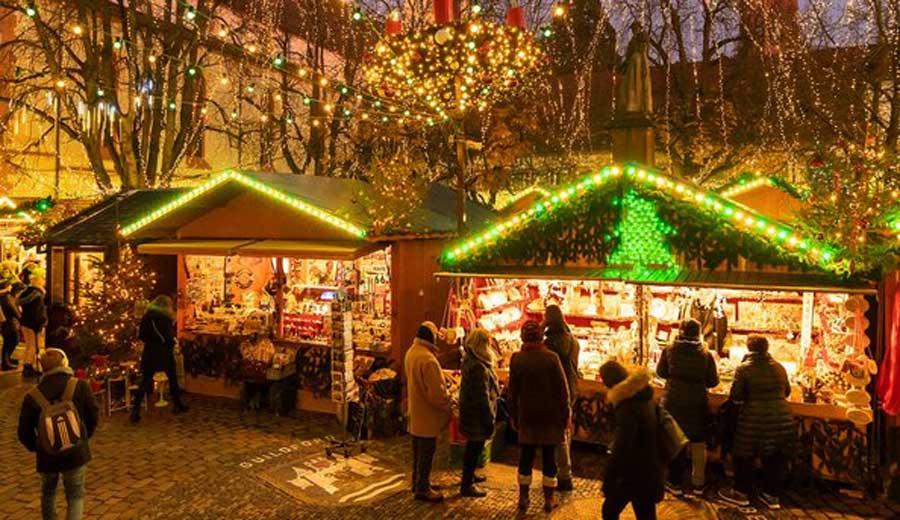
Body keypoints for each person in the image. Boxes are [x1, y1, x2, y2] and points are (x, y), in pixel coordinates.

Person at [18, 348, 100, 520]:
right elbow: (93, 415)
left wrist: (38, 446)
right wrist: (83, 437)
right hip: (75, 451)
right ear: (64, 363)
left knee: (48, 492)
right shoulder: (80, 386)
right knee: (76, 494)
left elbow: (24, 432)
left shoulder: (32, 396)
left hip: (47, 455)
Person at [718, 335, 794, 509]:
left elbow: (736, 396)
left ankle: (740, 493)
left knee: (744, 456)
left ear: (748, 348)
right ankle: (771, 496)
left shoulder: (744, 368)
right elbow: (787, 392)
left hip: (754, 418)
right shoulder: (779, 367)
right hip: (781, 418)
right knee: (774, 458)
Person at [508, 320, 569, 513]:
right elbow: (562, 390)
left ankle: (523, 497)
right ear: (541, 337)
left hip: (527, 415)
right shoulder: (551, 358)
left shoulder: (517, 359)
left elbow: (512, 392)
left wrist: (513, 415)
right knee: (549, 458)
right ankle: (549, 499)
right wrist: (566, 415)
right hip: (550, 416)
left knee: (526, 457)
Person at [656, 318, 719, 496]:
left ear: (681, 331)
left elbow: (661, 372)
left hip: (673, 401)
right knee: (698, 443)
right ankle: (698, 483)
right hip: (697, 402)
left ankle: (674, 483)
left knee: (677, 442)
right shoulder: (705, 353)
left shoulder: (669, 349)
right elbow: (713, 381)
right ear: (698, 333)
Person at [600, 361, 663, 520]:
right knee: (645, 513)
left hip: (632, 472)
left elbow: (622, 447)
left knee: (609, 510)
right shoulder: (642, 395)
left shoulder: (627, 407)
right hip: (648, 466)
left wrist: (610, 478)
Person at [404, 321, 452, 503]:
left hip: (415, 412)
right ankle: (423, 489)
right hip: (427, 415)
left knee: (417, 451)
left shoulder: (411, 352)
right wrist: (448, 403)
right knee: (426, 452)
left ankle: (418, 482)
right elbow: (436, 394)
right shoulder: (428, 360)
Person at [131, 295, 188, 422]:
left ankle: (135, 410)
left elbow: (142, 335)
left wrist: (151, 341)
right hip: (164, 352)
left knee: (145, 381)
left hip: (150, 352)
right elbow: (168, 337)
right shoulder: (165, 319)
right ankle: (177, 404)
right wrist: (171, 344)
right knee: (172, 379)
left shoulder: (146, 317)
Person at [457, 328, 499, 498]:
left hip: (472, 413)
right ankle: (467, 484)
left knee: (473, 447)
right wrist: (489, 418)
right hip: (477, 416)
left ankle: (470, 475)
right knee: (474, 448)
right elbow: (481, 397)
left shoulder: (473, 361)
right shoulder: (478, 367)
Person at [543, 304, 580, 492]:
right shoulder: (573, 340)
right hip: (571, 388)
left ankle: (564, 476)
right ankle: (563, 470)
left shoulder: (549, 343)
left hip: (555, 390)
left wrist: (542, 326)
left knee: (557, 434)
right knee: (565, 429)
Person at [19, 268, 48, 377]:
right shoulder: (38, 295)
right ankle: (28, 367)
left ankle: (28, 366)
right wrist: (41, 322)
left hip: (25, 321)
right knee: (32, 346)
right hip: (33, 323)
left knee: (29, 345)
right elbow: (38, 311)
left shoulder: (26, 292)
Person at [0, 277, 22, 372]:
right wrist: (19, 316)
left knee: (11, 340)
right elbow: (11, 309)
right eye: (9, 285)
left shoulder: (6, 296)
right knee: (11, 340)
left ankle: (7, 359)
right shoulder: (5, 297)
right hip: (8, 322)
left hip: (9, 322)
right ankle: (5, 362)